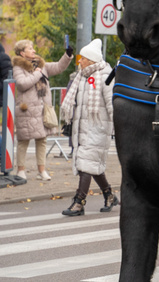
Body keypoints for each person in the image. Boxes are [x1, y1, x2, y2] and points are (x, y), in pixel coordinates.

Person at [60, 38, 118, 216]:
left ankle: (79, 202)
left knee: (86, 164)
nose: (79, 61)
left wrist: (117, 128)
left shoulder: (106, 76)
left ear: (91, 59)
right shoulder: (82, 76)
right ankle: (109, 195)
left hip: (99, 128)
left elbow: (111, 103)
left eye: (82, 58)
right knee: (91, 165)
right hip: (82, 127)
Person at [12, 39, 74, 180]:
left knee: (42, 140)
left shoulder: (41, 64)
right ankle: (20, 171)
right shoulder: (18, 67)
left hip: (41, 110)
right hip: (27, 111)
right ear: (22, 53)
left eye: (33, 48)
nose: (34, 50)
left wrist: (67, 55)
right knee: (23, 141)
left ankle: (42, 171)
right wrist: (38, 74)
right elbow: (22, 84)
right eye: (30, 48)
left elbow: (58, 67)